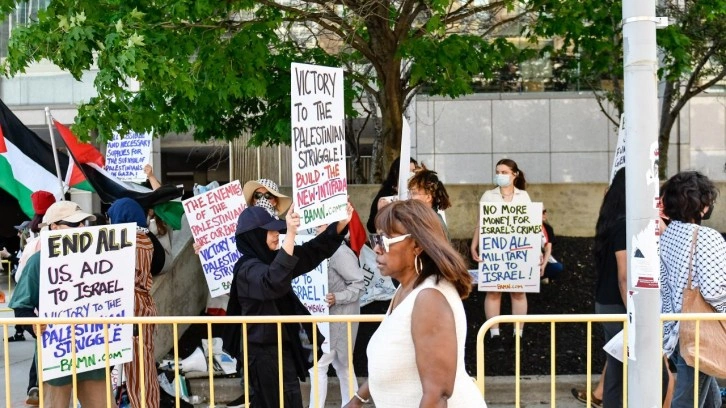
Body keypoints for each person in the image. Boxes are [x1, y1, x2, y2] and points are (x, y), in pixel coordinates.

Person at [345, 200, 485, 408]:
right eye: (376, 237)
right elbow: (398, 358)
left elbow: (437, 395)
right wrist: (358, 400)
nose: (376, 248)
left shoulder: (429, 298)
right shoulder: (407, 289)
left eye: (386, 239)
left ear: (417, 245)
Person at [229, 202, 354, 408]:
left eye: (277, 230)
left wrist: (339, 225)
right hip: (263, 355)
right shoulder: (246, 269)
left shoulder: (270, 260)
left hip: (280, 351)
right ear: (253, 236)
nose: (276, 234)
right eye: (270, 231)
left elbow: (311, 252)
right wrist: (291, 234)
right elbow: (274, 281)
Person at [8, 201, 116, 408]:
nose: (82, 228)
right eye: (75, 224)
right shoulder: (38, 261)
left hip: (93, 355)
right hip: (57, 356)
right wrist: (34, 324)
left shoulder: (100, 258)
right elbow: (22, 305)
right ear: (54, 227)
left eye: (83, 222)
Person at [660, 171, 725, 408]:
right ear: (702, 205)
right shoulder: (708, 237)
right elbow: (715, 290)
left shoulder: (667, 236)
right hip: (699, 331)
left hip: (673, 329)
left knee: (710, 401)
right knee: (687, 402)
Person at [470, 158, 530, 350]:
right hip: (493, 249)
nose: (500, 175)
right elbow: (480, 222)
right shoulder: (488, 196)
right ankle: (494, 334)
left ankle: (518, 334)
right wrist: (474, 245)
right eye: (498, 172)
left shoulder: (524, 197)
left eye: (504, 172)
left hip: (518, 250)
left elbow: (531, 226)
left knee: (518, 291)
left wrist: (537, 249)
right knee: (493, 290)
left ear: (515, 174)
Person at [107, 198, 161, 408]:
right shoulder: (145, 239)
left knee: (139, 369)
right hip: (141, 306)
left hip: (132, 307)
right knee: (142, 366)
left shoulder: (130, 241)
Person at [309, 225, 365, 408]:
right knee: (342, 366)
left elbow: (358, 284)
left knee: (322, 365)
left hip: (340, 317)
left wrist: (338, 297)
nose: (316, 227)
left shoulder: (340, 252)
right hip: (327, 318)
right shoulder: (319, 249)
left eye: (322, 223)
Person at [592, 167, 626, 408]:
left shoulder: (609, 222)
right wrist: (634, 310)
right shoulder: (624, 227)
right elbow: (624, 276)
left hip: (607, 302)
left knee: (615, 367)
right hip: (618, 304)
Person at [366, 157, 419, 233]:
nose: (411, 175)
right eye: (408, 171)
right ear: (396, 172)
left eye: (413, 171)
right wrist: (382, 213)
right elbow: (371, 226)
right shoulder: (385, 194)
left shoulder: (416, 193)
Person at [407, 168, 452, 241]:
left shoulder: (431, 222)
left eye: (414, 193)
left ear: (428, 197)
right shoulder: (426, 218)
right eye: (410, 193)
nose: (410, 197)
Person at [541, 208, 564, 283]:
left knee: (557, 267)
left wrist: (543, 266)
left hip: (542, 260)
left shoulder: (548, 229)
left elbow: (548, 249)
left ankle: (541, 277)